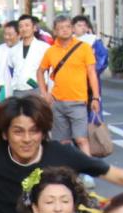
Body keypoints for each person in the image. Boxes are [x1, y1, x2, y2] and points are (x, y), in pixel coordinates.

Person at [38, 16, 101, 156]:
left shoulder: (84, 48)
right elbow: (40, 71)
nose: (65, 30)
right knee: (62, 142)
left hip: (78, 101)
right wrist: (44, 93)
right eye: (60, 28)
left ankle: (87, 172)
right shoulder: (51, 51)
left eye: (67, 27)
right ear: (55, 31)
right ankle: (64, 172)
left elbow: (92, 73)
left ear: (72, 28)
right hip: (57, 102)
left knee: (81, 139)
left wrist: (96, 98)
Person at [10, 15, 51, 95]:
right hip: (18, 90)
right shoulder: (13, 50)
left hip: (37, 90)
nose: (24, 29)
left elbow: (50, 71)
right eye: (21, 26)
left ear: (34, 28)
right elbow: (11, 69)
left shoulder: (44, 47)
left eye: (27, 25)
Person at [0, 21, 20, 99]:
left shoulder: (22, 50)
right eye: (5, 34)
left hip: (18, 91)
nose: (7, 37)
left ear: (19, 35)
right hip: (1, 91)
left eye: (10, 35)